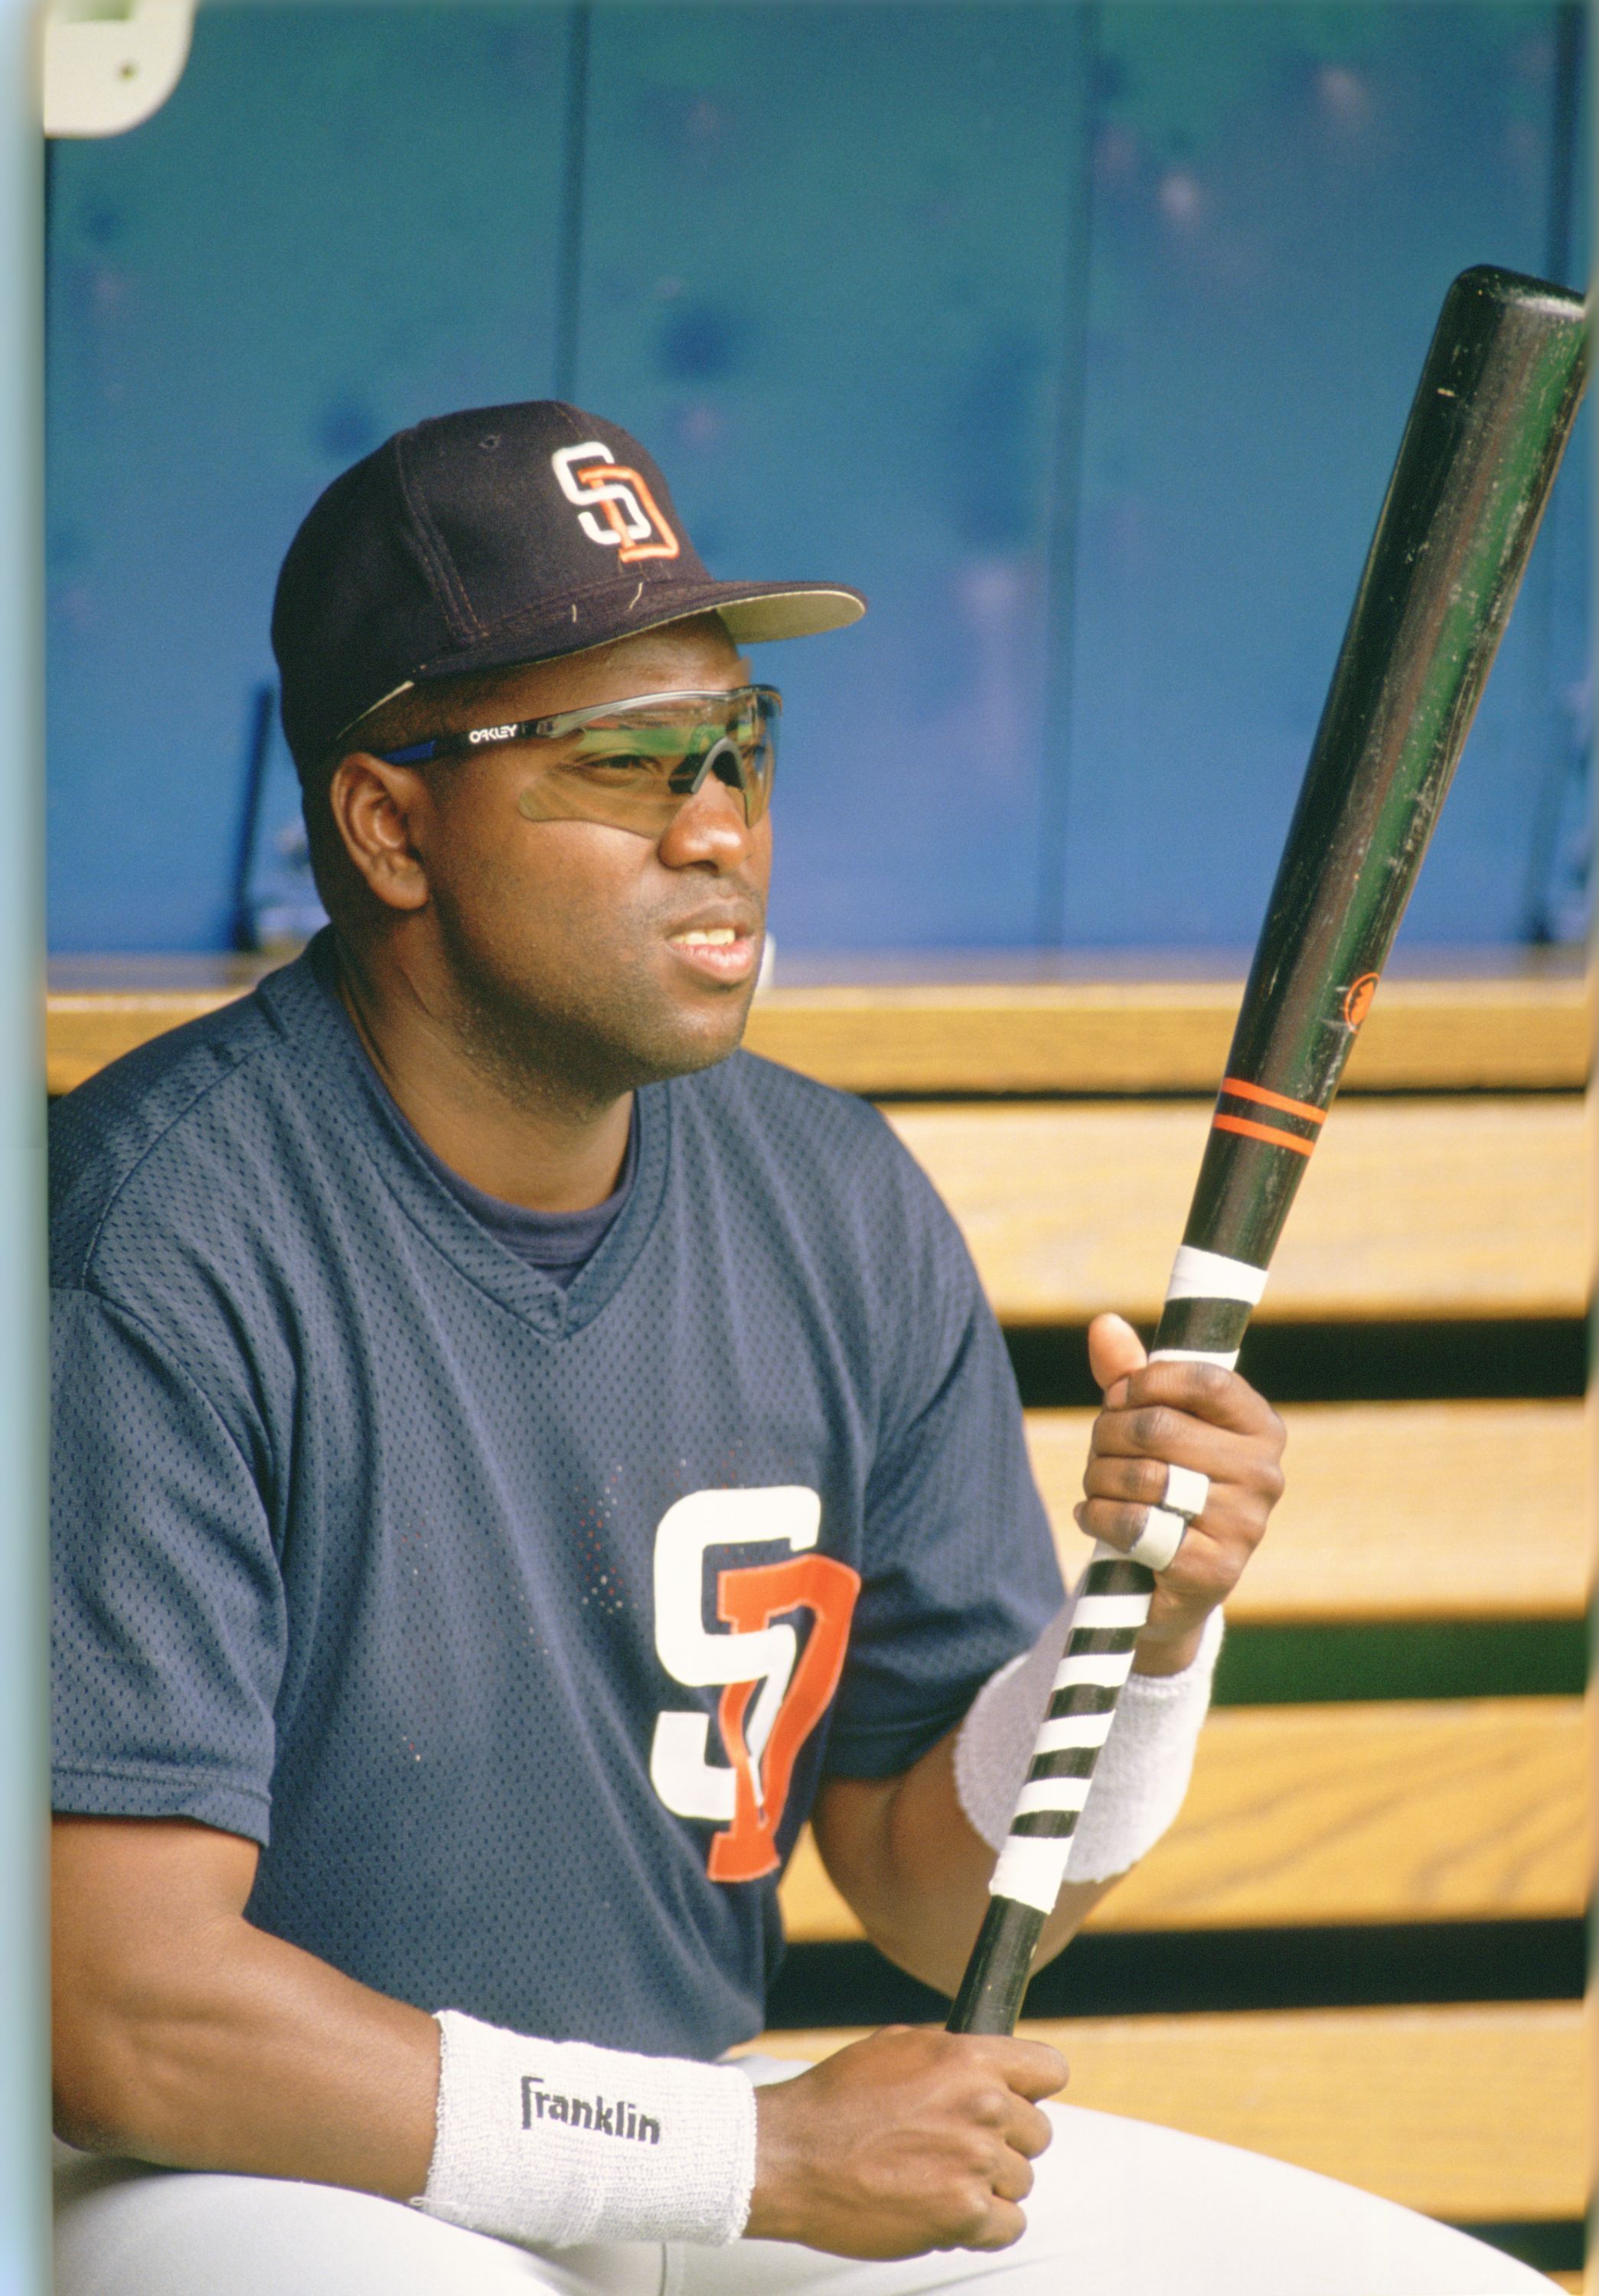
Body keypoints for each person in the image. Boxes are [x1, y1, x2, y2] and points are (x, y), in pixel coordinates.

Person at [50, 403, 1548, 2294]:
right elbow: (130, 2021)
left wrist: (1145, 1637)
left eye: (738, 750)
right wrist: (748, 2150)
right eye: (622, 763)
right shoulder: (155, 1238)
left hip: (685, 2161)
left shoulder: (829, 1199)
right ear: (388, 824)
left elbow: (937, 1894)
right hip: (238, 2185)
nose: (716, 827)